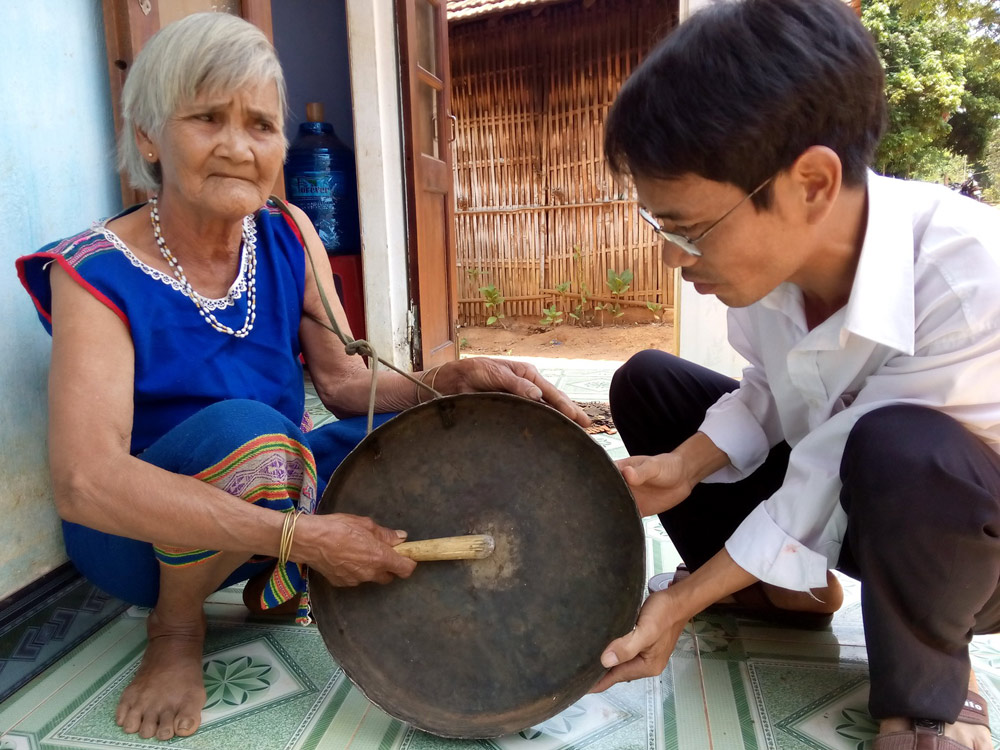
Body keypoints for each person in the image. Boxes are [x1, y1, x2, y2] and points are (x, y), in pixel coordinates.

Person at [15, 13, 588, 742]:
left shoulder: (288, 233)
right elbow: (86, 482)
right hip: (139, 542)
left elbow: (347, 385)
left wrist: (455, 378)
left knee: (422, 443)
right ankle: (178, 627)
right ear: (151, 137)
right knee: (258, 437)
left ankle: (280, 569)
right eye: (206, 118)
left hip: (273, 495)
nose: (236, 146)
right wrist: (311, 541)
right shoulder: (94, 272)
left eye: (259, 124)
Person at [592, 1, 1000, 749]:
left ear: (811, 181)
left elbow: (824, 472)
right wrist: (684, 465)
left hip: (970, 546)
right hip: (858, 499)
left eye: (690, 229)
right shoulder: (772, 275)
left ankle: (933, 694)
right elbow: (773, 392)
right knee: (649, 381)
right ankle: (787, 593)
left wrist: (681, 603)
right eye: (663, 229)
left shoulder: (972, 282)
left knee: (898, 445)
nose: (674, 259)